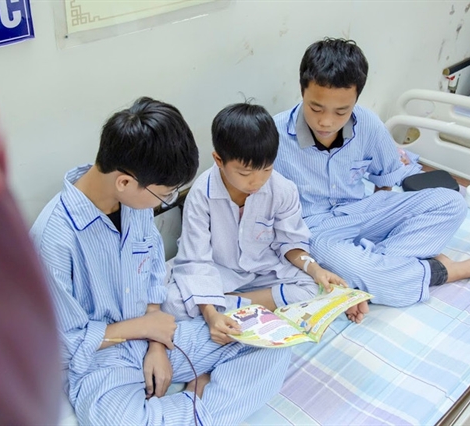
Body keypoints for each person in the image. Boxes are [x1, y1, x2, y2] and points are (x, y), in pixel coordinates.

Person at [30, 97, 293, 426]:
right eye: (164, 194)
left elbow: (154, 277)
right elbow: (63, 345)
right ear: (125, 182)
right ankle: (200, 410)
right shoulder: (53, 239)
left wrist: (156, 343)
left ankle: (192, 409)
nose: (165, 202)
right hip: (102, 362)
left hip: (158, 337)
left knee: (272, 341)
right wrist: (143, 329)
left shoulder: (133, 204)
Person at [272, 38, 470, 309]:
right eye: (315, 108)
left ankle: (379, 266)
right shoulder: (273, 135)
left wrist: (381, 217)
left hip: (364, 210)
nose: (326, 121)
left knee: (452, 203)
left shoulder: (367, 123)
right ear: (302, 91)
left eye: (341, 111)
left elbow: (386, 180)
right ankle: (440, 271)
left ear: (356, 99)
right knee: (358, 268)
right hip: (316, 230)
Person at [162, 102, 367, 343]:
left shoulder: (282, 189)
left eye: (267, 169)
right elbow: (196, 259)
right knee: (171, 302)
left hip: (263, 271)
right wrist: (209, 313)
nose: (257, 182)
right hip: (218, 270)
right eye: (245, 173)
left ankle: (227, 303)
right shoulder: (201, 194)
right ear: (218, 160)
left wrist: (316, 269)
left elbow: (291, 244)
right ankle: (223, 305)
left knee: (312, 287)